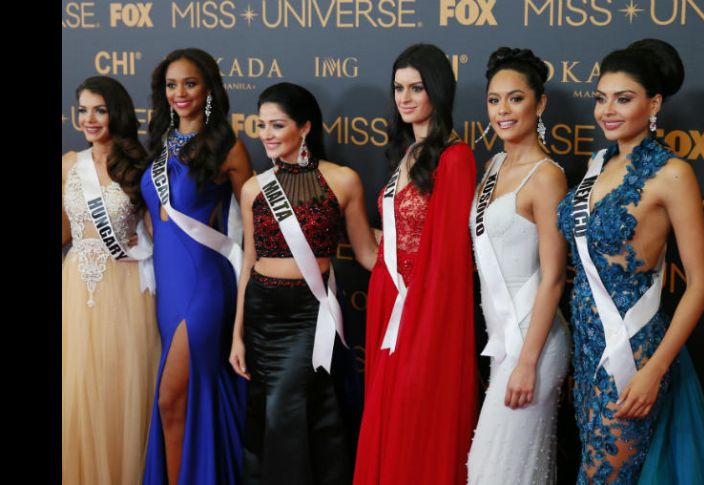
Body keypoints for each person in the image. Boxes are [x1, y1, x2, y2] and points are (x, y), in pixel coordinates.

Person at [556, 39, 704, 484]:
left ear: (654, 104)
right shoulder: (597, 164)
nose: (607, 110)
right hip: (587, 349)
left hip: (634, 350)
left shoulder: (672, 174)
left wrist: (654, 370)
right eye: (601, 98)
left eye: (623, 99)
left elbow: (699, 283)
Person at [228, 81, 378, 485]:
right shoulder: (253, 188)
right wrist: (238, 335)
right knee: (271, 414)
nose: (266, 134)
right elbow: (248, 264)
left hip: (310, 313)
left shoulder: (342, 180)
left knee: (286, 412)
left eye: (277, 125)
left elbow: (367, 253)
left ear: (305, 127)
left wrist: (418, 272)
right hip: (262, 313)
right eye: (262, 125)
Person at [353, 43, 479, 485]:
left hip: (424, 310)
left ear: (438, 92)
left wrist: (423, 326)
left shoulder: (456, 157)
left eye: (417, 88)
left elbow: (447, 261)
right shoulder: (407, 154)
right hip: (387, 298)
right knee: (387, 417)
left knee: (416, 417)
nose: (404, 98)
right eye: (398, 88)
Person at [140, 48, 253, 485]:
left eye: (190, 83)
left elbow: (253, 227)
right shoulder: (159, 143)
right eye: (172, 85)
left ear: (208, 89)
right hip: (168, 289)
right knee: (180, 403)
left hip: (204, 288)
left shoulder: (228, 147)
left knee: (171, 399)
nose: (180, 93)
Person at [466, 47, 571, 485]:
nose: (503, 110)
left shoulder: (547, 176)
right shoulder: (493, 165)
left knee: (497, 473)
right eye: (494, 100)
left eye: (515, 98)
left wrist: (528, 362)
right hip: (501, 343)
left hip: (534, 344)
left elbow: (553, 278)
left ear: (539, 104)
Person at [62, 75, 160, 485]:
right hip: (77, 287)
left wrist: (145, 243)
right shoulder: (69, 164)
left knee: (120, 385)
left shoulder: (140, 167)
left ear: (116, 113)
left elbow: (159, 233)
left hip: (126, 287)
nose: (89, 119)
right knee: (79, 385)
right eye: (83, 110)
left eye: (99, 110)